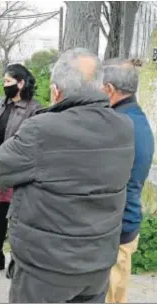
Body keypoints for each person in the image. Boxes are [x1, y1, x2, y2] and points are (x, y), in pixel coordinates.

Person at [0, 48, 135, 303]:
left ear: (56, 91)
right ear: (101, 86)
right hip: (97, 263)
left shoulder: (42, 129)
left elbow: (1, 169)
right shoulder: (124, 126)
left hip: (46, 268)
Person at [102, 59, 154, 303]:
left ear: (110, 89)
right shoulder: (135, 117)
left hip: (117, 224)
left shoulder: (119, 124)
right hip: (126, 219)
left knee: (110, 297)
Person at [0, 64, 41, 277]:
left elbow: (32, 141)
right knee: (0, 214)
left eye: (8, 81)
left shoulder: (34, 108)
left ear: (20, 83)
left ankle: (17, 259)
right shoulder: (0, 103)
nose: (4, 85)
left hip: (19, 171)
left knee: (19, 217)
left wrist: (5, 153)